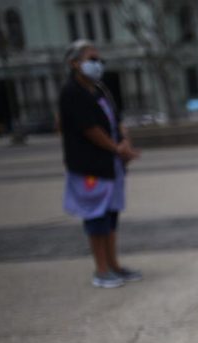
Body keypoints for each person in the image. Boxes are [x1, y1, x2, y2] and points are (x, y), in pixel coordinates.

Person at [58, 39, 141, 289]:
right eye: (91, 59)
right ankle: (101, 270)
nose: (97, 64)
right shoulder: (72, 93)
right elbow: (90, 129)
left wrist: (124, 141)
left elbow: (117, 120)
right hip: (90, 166)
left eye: (99, 60)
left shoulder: (100, 89)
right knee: (96, 217)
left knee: (111, 215)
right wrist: (116, 148)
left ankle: (114, 265)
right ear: (74, 63)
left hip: (110, 163)